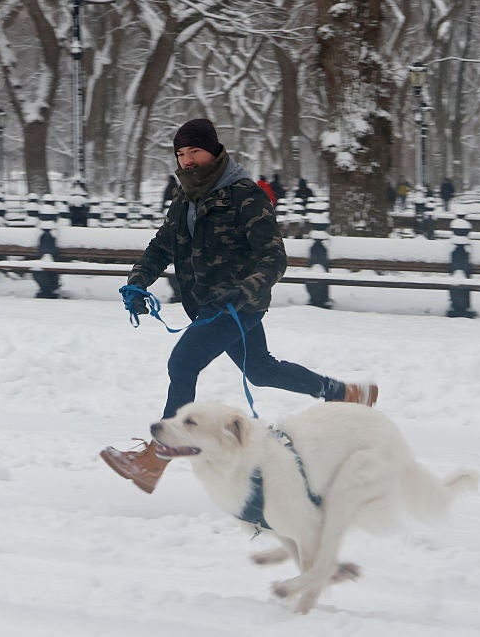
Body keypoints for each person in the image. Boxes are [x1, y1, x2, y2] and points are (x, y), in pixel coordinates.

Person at [99, 118, 378, 494]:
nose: (187, 160)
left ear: (214, 150)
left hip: (237, 305)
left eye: (194, 151)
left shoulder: (245, 195)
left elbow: (274, 258)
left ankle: (154, 460)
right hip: (204, 305)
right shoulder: (185, 196)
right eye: (181, 154)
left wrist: (243, 291)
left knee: (182, 363)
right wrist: (137, 282)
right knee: (261, 370)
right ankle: (344, 393)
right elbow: (163, 245)